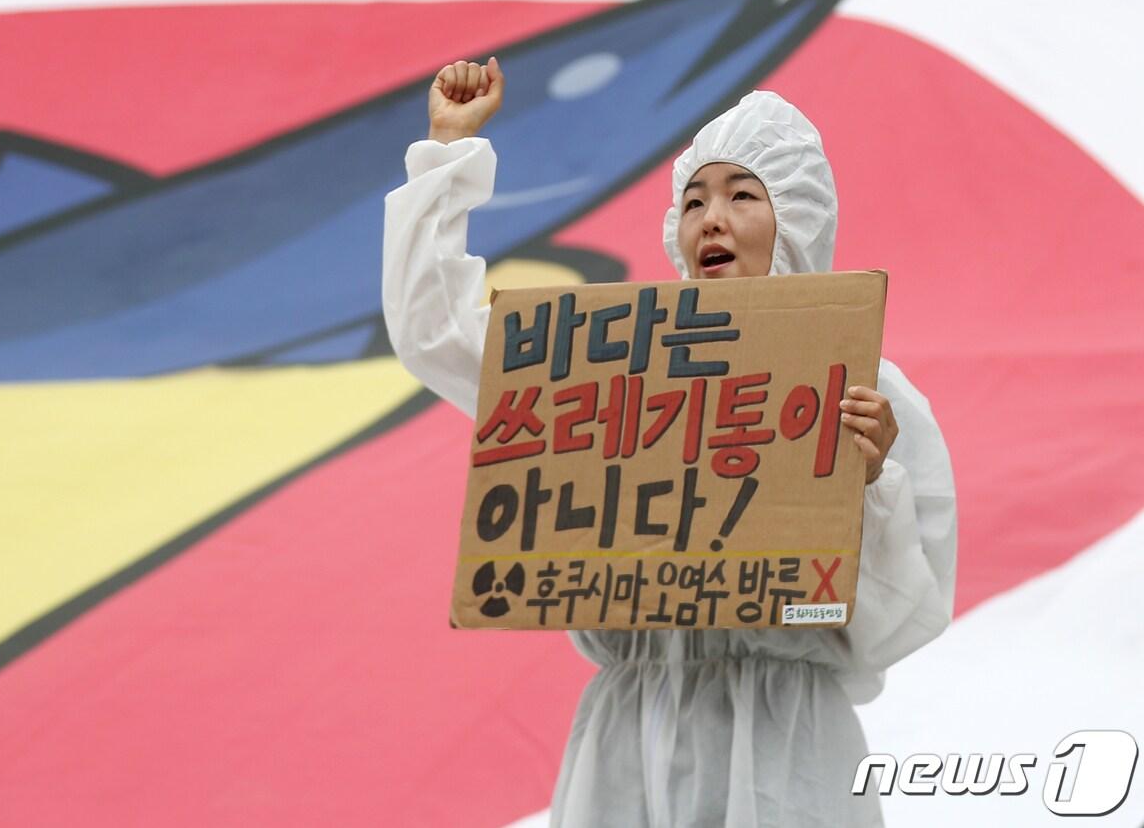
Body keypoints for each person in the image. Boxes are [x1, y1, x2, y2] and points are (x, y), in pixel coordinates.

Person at [382, 57, 957, 827]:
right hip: (624, 750)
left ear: (799, 216)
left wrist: (871, 483)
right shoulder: (609, 367)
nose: (710, 218)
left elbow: (891, 624)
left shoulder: (867, 395)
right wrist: (447, 156)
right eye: (693, 200)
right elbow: (437, 336)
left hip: (786, 754)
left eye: (743, 195)